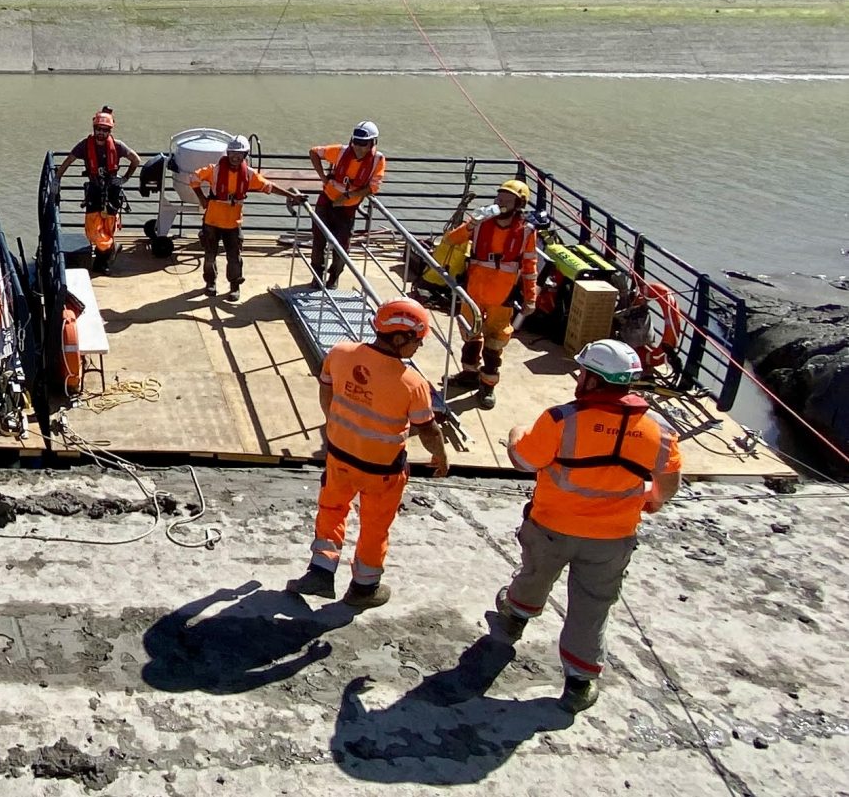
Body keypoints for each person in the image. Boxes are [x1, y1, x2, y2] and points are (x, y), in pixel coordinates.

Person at [493, 339, 682, 714]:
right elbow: (670, 479)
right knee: (593, 606)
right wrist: (654, 501)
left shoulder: (562, 419)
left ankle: (516, 617)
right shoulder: (658, 429)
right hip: (612, 539)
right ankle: (580, 681)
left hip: (551, 527)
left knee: (534, 575)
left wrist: (516, 433)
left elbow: (522, 459)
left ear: (593, 381)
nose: (578, 377)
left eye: (583, 372)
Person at [289, 297, 449, 609]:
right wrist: (440, 456)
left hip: (340, 457)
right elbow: (428, 429)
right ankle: (364, 588)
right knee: (375, 526)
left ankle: (321, 572)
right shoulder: (413, 384)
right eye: (417, 342)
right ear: (400, 338)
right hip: (383, 470)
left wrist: (336, 423)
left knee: (332, 509)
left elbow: (327, 391)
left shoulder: (340, 353)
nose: (418, 348)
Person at [441, 178, 539, 409]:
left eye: (507, 199)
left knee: (495, 342)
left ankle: (488, 385)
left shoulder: (526, 232)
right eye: (499, 197)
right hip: (474, 290)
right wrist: (470, 225)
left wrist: (530, 298)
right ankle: (469, 375)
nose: (501, 202)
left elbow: (529, 267)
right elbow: (451, 240)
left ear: (519, 204)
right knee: (470, 335)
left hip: (502, 295)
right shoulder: (481, 224)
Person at [188, 135, 303, 302]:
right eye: (232, 153)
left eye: (239, 153)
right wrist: (201, 198)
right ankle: (210, 283)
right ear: (227, 153)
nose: (235, 156)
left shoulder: (249, 174)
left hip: (233, 223)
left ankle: (234, 287)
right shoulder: (215, 170)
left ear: (245, 155)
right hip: (212, 221)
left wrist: (292, 195)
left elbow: (269, 186)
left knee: (234, 258)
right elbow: (194, 178)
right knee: (209, 255)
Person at [55, 107, 142, 273]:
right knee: (93, 231)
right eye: (98, 129)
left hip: (113, 192)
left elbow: (136, 160)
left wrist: (124, 178)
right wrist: (56, 179)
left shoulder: (118, 146)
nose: (101, 133)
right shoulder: (84, 146)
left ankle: (102, 263)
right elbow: (68, 161)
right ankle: (112, 248)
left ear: (110, 131)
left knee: (109, 228)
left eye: (105, 130)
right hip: (94, 191)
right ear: (94, 129)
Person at [308, 120, 387, 289]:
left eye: (363, 144)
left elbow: (373, 187)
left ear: (373, 143)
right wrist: (323, 177)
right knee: (318, 242)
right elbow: (314, 152)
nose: (358, 147)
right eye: (355, 142)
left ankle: (334, 276)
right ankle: (317, 276)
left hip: (348, 208)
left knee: (342, 246)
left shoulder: (377, 160)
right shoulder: (341, 152)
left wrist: (348, 196)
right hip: (327, 201)